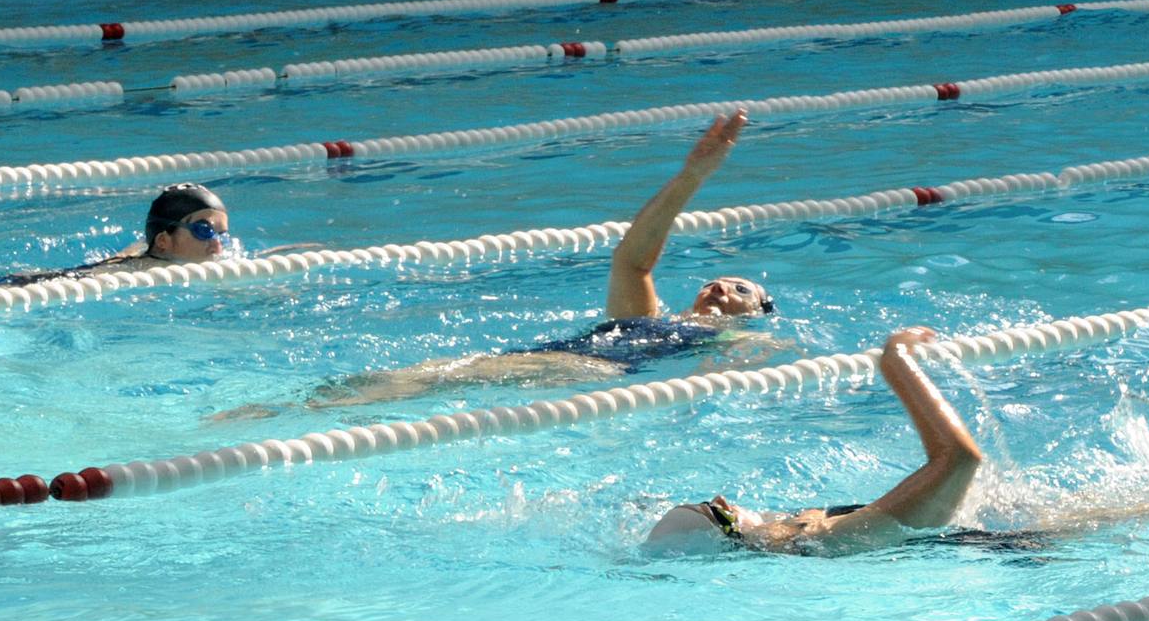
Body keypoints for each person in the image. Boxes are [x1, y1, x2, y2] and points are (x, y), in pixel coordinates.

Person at [233, 108, 790, 414]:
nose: (718, 287)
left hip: (588, 370)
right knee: (424, 379)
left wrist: (748, 342)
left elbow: (734, 378)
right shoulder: (652, 319)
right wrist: (691, 177)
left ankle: (289, 415)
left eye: (738, 288)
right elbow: (632, 260)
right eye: (715, 280)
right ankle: (291, 409)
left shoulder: (738, 342)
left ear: (761, 310)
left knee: (432, 384)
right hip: (557, 355)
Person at [645, 326, 986, 556]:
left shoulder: (809, 531)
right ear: (731, 538)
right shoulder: (836, 537)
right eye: (718, 514)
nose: (723, 499)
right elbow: (958, 459)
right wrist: (896, 360)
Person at [0, 183, 232, 294]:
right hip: (57, 282)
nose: (216, 244)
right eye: (204, 230)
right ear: (163, 241)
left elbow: (135, 247)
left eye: (221, 234)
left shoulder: (148, 252)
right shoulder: (154, 272)